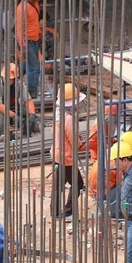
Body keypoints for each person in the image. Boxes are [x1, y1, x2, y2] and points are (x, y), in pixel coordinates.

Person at [50, 83, 86, 222]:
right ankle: (67, 212)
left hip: (58, 154)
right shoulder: (69, 119)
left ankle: (56, 212)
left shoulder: (58, 115)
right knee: (77, 184)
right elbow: (73, 141)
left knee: (58, 185)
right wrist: (80, 144)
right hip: (66, 157)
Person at [0, 62, 39, 140]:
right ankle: (2, 137)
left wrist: (32, 113)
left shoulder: (19, 84)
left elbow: (28, 100)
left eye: (11, 79)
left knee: (26, 111)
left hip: (11, 109)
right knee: (0, 113)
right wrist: (13, 115)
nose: (10, 80)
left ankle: (26, 134)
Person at [16, 0, 47, 98]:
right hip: (26, 41)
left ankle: (12, 77)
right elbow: (19, 29)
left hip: (34, 40)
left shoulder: (35, 4)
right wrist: (22, 46)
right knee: (35, 67)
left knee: (28, 65)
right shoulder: (22, 8)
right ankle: (31, 93)